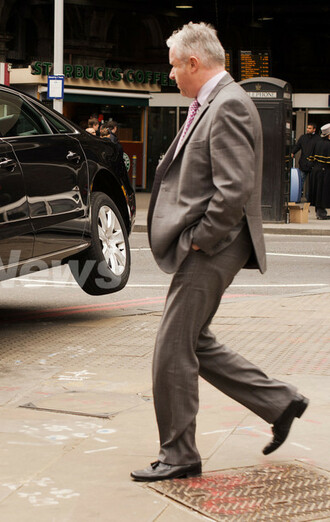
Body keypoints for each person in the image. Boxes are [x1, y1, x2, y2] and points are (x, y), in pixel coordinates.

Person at [131, 22, 309, 482]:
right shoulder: (210, 102)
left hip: (214, 245)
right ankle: (280, 402)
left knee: (172, 348)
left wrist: (200, 240)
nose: (171, 75)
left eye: (173, 67)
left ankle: (179, 455)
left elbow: (233, 189)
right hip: (211, 242)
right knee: (195, 342)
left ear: (194, 62)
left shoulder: (227, 104)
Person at [307, 123, 330, 219]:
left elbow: (310, 158)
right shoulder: (328, 145)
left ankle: (319, 211)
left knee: (317, 192)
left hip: (316, 170)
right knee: (323, 192)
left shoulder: (317, 142)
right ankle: (321, 213)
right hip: (325, 171)